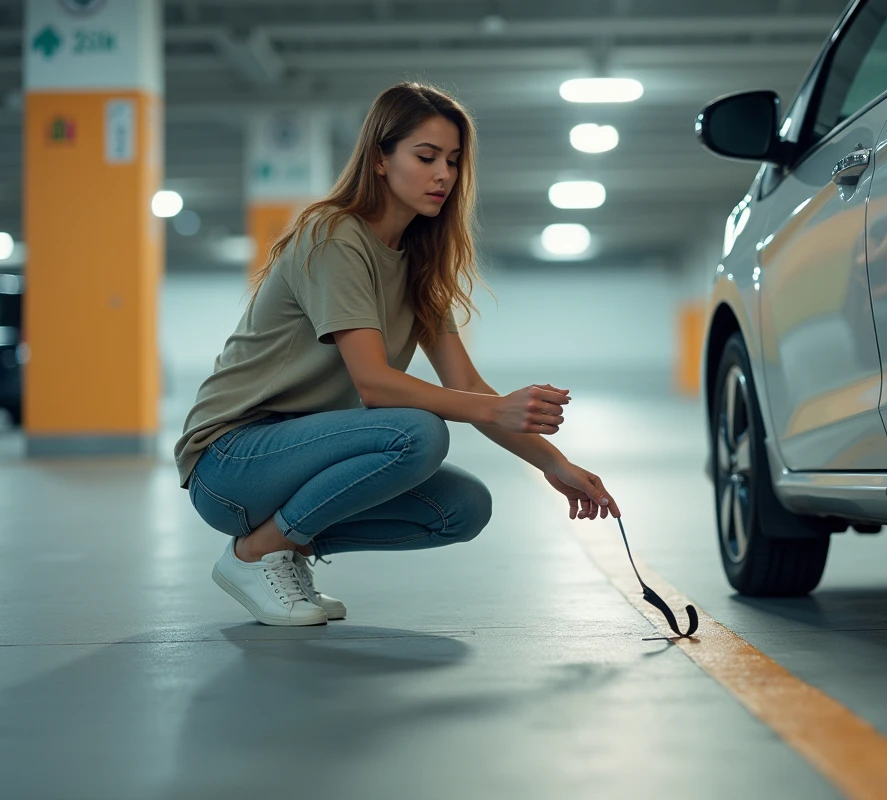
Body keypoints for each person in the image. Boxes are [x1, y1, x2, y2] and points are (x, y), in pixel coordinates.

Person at [174, 82, 621, 627]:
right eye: (426, 156)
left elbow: (470, 386)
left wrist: (558, 465)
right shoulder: (334, 236)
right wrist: (493, 408)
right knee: (417, 432)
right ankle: (254, 555)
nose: (444, 175)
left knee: (462, 508)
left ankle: (283, 547)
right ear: (380, 159)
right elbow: (375, 385)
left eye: (453, 162)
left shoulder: (416, 262)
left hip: (305, 455)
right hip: (231, 463)